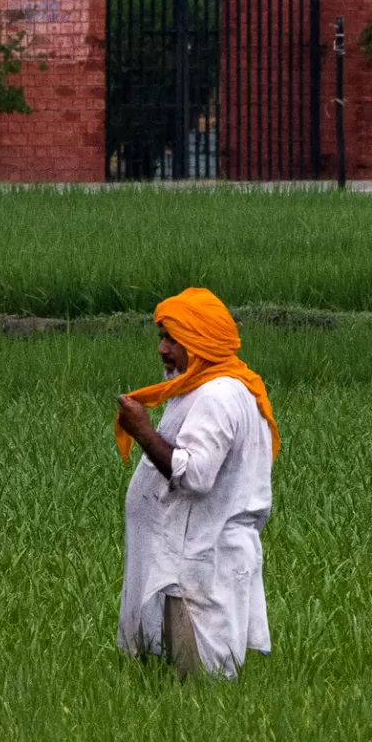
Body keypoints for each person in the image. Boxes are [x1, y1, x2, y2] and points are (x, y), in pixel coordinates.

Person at [114, 287, 280, 680]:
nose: (162, 349)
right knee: (189, 681)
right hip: (195, 560)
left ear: (200, 341)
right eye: (161, 337)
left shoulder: (218, 395)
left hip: (201, 564)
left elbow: (194, 474)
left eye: (173, 338)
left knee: (202, 686)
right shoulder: (212, 389)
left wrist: (141, 431)